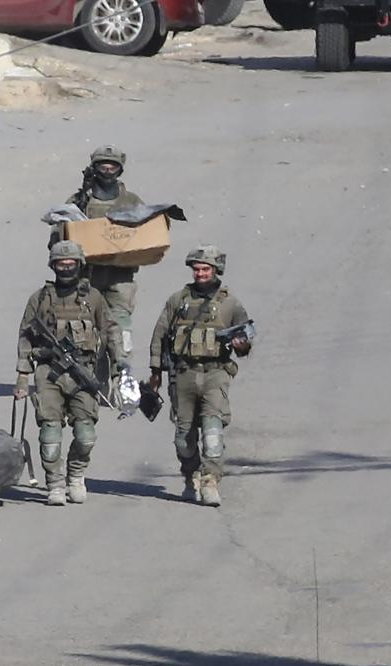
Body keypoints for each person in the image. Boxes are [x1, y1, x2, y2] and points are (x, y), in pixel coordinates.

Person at [14, 240, 126, 506]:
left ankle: (75, 476)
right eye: (61, 264)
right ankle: (54, 484)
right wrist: (22, 377)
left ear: (79, 265)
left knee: (86, 435)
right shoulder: (39, 299)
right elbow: (25, 338)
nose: (66, 268)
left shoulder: (93, 298)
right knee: (50, 435)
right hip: (48, 372)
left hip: (84, 373)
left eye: (71, 263)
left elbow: (110, 331)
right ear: (53, 265)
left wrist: (118, 368)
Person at [147, 246, 254, 507]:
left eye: (206, 269)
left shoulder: (230, 303)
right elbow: (159, 335)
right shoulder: (178, 301)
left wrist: (241, 345)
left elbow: (245, 338)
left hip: (215, 374)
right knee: (184, 438)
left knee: (213, 432)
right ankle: (190, 476)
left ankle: (210, 481)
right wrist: (155, 372)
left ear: (216, 270)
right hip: (182, 374)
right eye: (197, 269)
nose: (201, 274)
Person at [50, 145, 143, 359]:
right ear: (94, 168)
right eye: (103, 166)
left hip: (120, 275)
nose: (107, 171)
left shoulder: (131, 201)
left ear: (120, 170)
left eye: (112, 167)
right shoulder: (78, 201)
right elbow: (58, 236)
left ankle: (120, 371)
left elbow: (148, 234)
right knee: (82, 324)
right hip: (85, 275)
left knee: (121, 329)